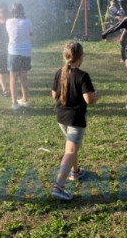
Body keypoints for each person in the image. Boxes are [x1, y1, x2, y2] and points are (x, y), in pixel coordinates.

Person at [49, 42, 100, 201]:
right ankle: (58, 187)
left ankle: (75, 172)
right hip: (75, 119)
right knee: (70, 151)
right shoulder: (82, 76)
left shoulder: (59, 72)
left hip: (61, 118)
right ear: (81, 57)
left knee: (72, 148)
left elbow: (53, 94)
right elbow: (89, 99)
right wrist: (97, 95)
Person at [6, 3, 33, 109]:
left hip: (13, 52)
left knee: (13, 78)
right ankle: (25, 100)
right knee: (24, 77)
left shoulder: (8, 22)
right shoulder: (27, 21)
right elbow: (30, 33)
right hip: (25, 52)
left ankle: (14, 103)